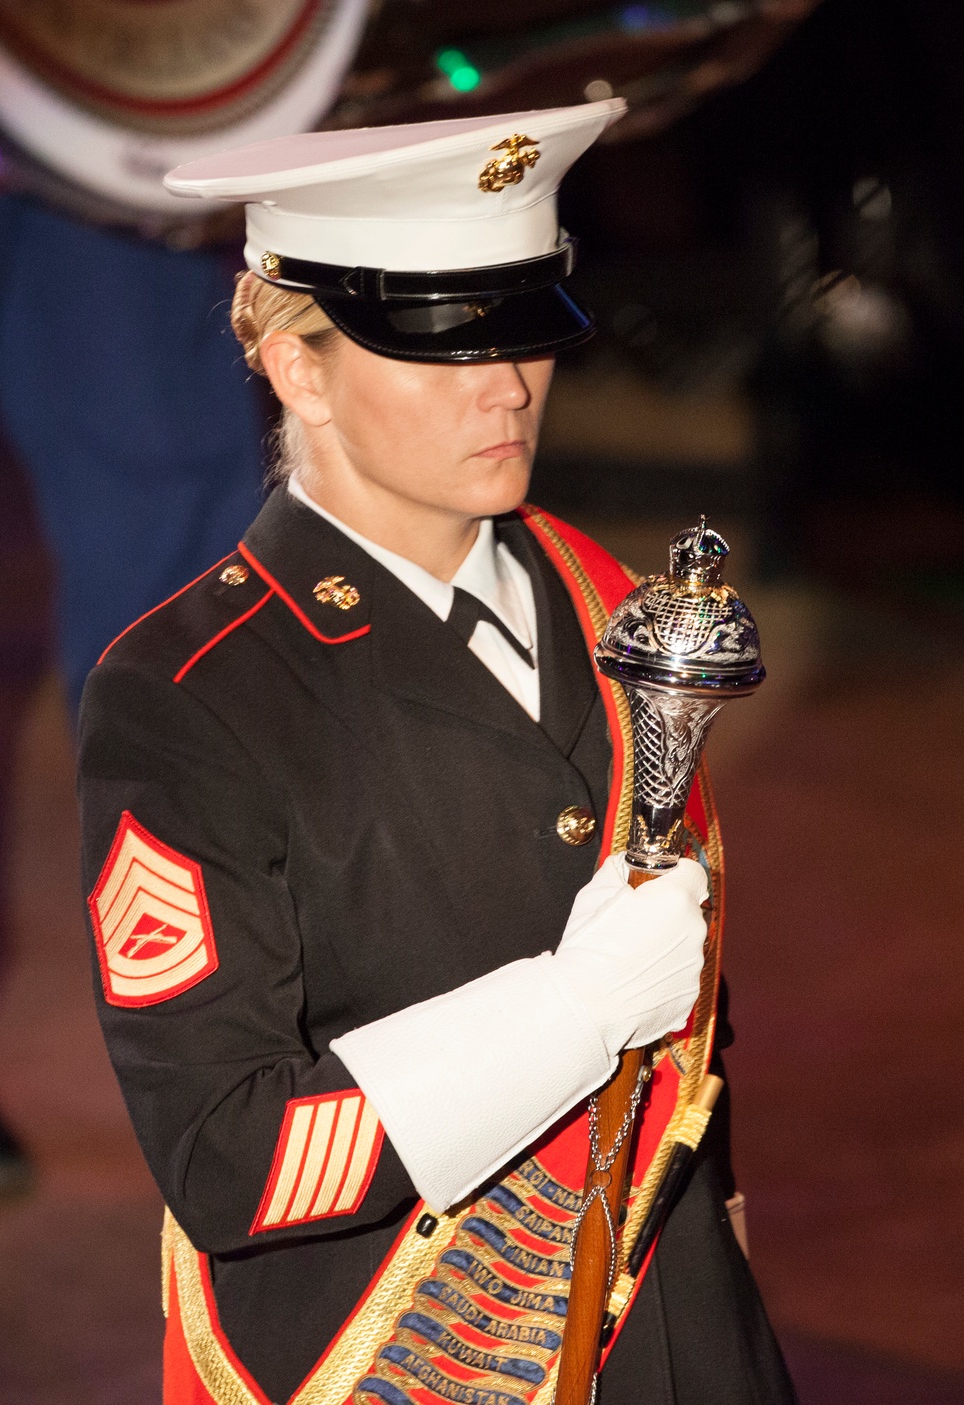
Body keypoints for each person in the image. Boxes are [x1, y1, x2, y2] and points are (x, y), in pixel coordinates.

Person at [78, 100, 796, 1405]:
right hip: (416, 1351)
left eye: (523, 333)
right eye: (441, 346)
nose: (508, 384)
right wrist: (566, 1014)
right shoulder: (188, 697)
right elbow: (225, 1154)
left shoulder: (602, 594)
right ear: (299, 368)